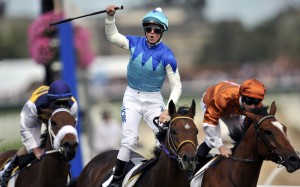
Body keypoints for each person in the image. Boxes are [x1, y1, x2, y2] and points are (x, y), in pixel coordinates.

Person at [105, 5, 182, 186]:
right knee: (129, 140)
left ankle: (177, 176)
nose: (152, 33)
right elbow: (112, 36)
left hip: (153, 100)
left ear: (162, 32)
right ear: (145, 30)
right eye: (149, 29)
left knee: (167, 137)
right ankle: (116, 181)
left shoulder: (167, 55)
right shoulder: (134, 43)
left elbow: (177, 86)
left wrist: (167, 110)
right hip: (132, 97)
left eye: (156, 30)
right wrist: (110, 17)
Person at [0, 80, 78, 186]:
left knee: (62, 147)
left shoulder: (73, 105)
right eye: (58, 102)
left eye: (64, 102)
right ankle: (7, 170)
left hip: (59, 119)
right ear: (51, 100)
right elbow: (25, 128)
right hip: (39, 115)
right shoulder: (33, 105)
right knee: (33, 145)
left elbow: (71, 127)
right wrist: (35, 149)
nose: (61, 105)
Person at [197, 78, 266, 162]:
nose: (252, 106)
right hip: (212, 102)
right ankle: (194, 166)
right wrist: (221, 148)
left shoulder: (256, 105)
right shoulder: (224, 97)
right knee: (211, 141)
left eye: (256, 102)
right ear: (242, 96)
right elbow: (210, 123)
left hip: (233, 108)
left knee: (242, 137)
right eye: (249, 101)